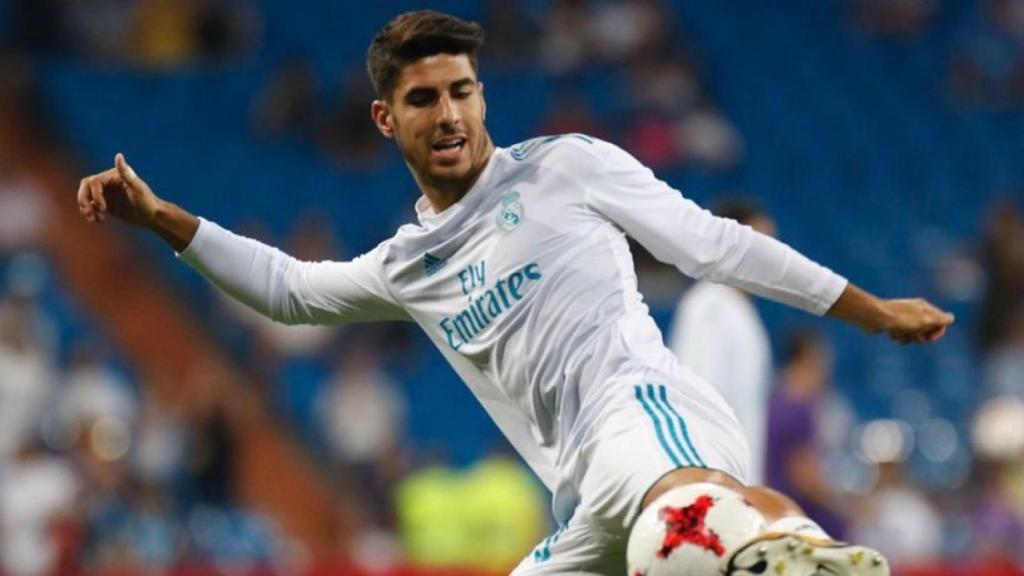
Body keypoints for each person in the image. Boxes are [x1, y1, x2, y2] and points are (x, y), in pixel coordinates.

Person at [76, 10, 954, 575]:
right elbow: (290, 290)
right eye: (424, 99)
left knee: (687, 517)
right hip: (579, 497)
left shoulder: (567, 168)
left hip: (642, 408)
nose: (449, 113)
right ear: (388, 118)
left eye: (462, 90)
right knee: (659, 537)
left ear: (484, 94)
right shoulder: (408, 263)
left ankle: (806, 557)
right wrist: (159, 219)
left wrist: (869, 309)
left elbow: (718, 247)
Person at [668, 198, 774, 485]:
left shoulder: (739, 310)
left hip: (738, 482)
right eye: (763, 246)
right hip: (715, 483)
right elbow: (701, 399)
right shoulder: (709, 307)